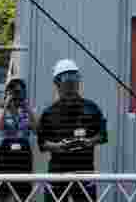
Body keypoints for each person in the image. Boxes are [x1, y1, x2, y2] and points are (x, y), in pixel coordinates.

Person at [36, 59, 108, 202]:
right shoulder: (49, 113)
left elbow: (102, 135)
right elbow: (42, 143)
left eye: (74, 79)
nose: (71, 85)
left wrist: (88, 142)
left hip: (84, 173)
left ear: (78, 81)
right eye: (66, 81)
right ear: (57, 83)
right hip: (57, 174)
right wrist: (58, 147)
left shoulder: (92, 108)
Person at [0, 78, 37, 202]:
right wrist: (7, 104)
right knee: (2, 193)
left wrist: (27, 107)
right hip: (6, 153)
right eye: (14, 91)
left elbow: (36, 129)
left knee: (23, 194)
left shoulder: (28, 110)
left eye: (20, 92)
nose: (17, 95)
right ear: (8, 92)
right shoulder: (1, 109)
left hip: (23, 153)